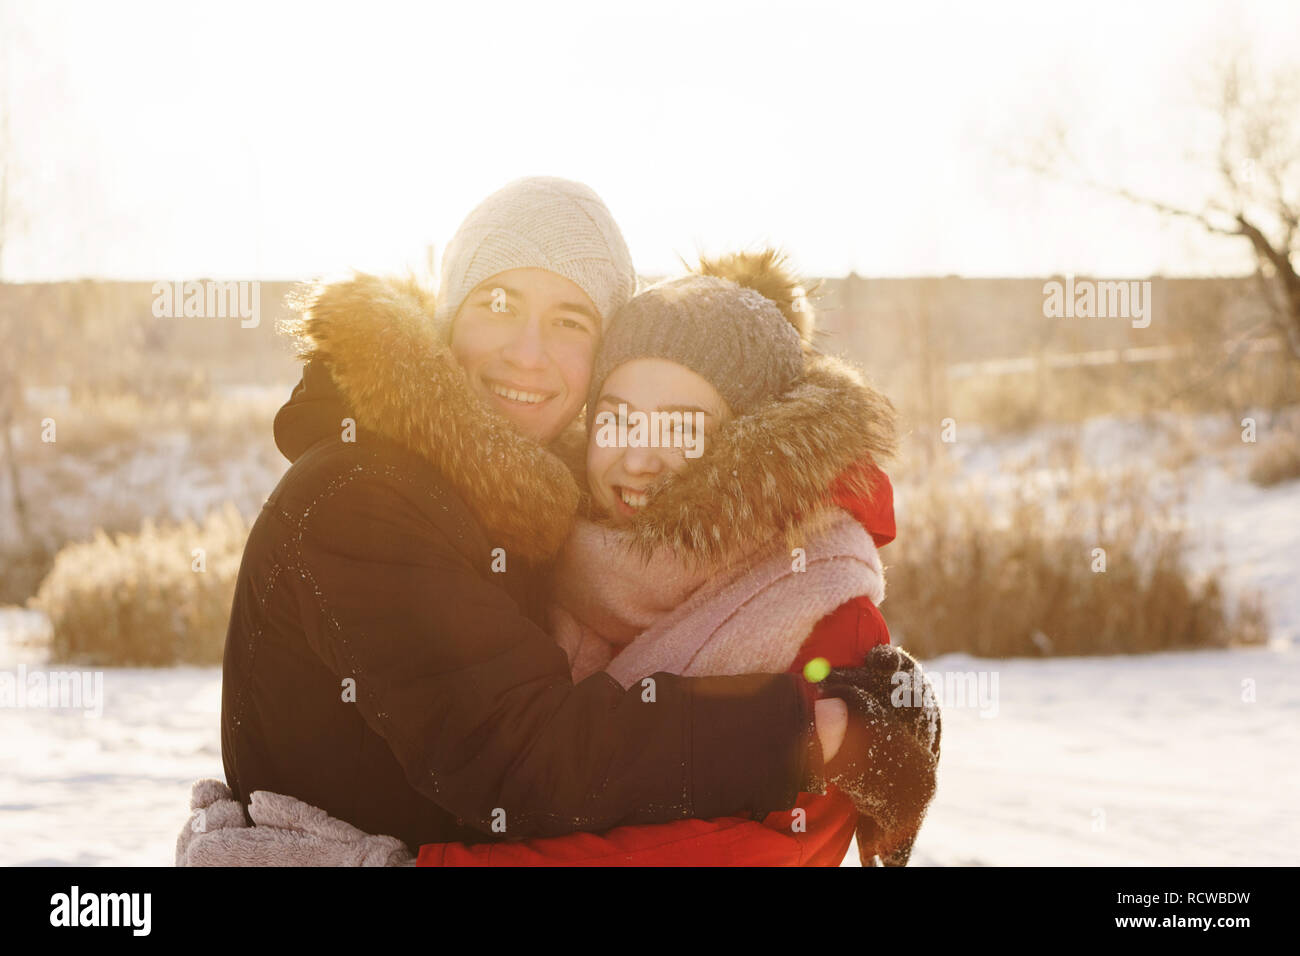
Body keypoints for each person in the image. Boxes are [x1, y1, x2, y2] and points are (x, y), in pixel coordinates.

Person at [219, 177, 938, 852]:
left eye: (569, 320)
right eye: (497, 304)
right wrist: (820, 729)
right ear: (445, 320)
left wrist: (867, 676)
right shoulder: (362, 494)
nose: (528, 354)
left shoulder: (536, 509)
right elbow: (521, 755)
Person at [415, 250, 938, 866]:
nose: (638, 459)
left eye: (683, 430)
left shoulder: (818, 605)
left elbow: (741, 854)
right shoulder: (542, 563)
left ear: (751, 446)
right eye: (616, 422)